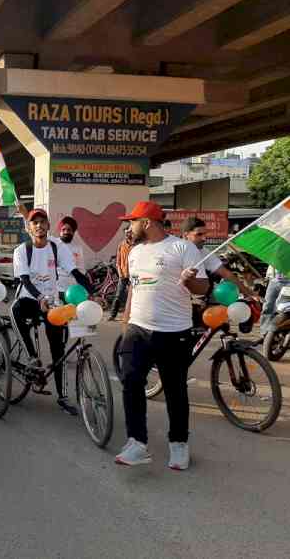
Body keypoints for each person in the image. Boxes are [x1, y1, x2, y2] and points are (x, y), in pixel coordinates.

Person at [116, 201, 208, 471]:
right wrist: (126, 320)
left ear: (146, 222)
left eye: (132, 221)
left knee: (175, 390)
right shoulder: (134, 253)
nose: (129, 226)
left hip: (174, 332)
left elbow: (202, 287)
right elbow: (134, 288)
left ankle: (179, 444)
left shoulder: (182, 248)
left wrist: (190, 280)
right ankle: (137, 442)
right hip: (137, 329)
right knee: (131, 381)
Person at [11, 208, 93, 416]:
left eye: (42, 221)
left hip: (53, 304)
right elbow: (25, 280)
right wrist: (40, 298)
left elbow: (75, 273)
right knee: (15, 309)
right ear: (29, 228)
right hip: (30, 299)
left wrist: (92, 292)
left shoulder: (57, 247)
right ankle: (31, 357)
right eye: (34, 222)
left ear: (48, 225)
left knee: (59, 349)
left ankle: (63, 396)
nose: (39, 225)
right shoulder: (22, 250)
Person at [181, 216, 256, 301]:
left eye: (205, 234)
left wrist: (248, 293)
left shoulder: (203, 251)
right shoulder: (173, 251)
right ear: (185, 235)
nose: (204, 238)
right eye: (199, 234)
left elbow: (226, 273)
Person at [51, 216, 85, 302]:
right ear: (60, 231)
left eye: (69, 230)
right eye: (63, 229)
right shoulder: (53, 243)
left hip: (73, 290)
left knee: (71, 313)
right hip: (56, 289)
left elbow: (81, 268)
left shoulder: (78, 248)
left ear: (73, 232)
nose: (66, 232)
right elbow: (34, 234)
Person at [109, 227, 134, 321]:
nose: (128, 234)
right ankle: (112, 315)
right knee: (118, 295)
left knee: (134, 296)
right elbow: (118, 261)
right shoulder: (121, 245)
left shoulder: (136, 245)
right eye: (127, 233)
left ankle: (132, 316)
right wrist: (120, 273)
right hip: (123, 274)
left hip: (133, 275)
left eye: (130, 232)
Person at [260, 265, 289, 336]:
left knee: (286, 309)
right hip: (274, 281)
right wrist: (268, 276)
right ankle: (264, 333)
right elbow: (272, 260)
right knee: (267, 306)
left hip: (288, 283)